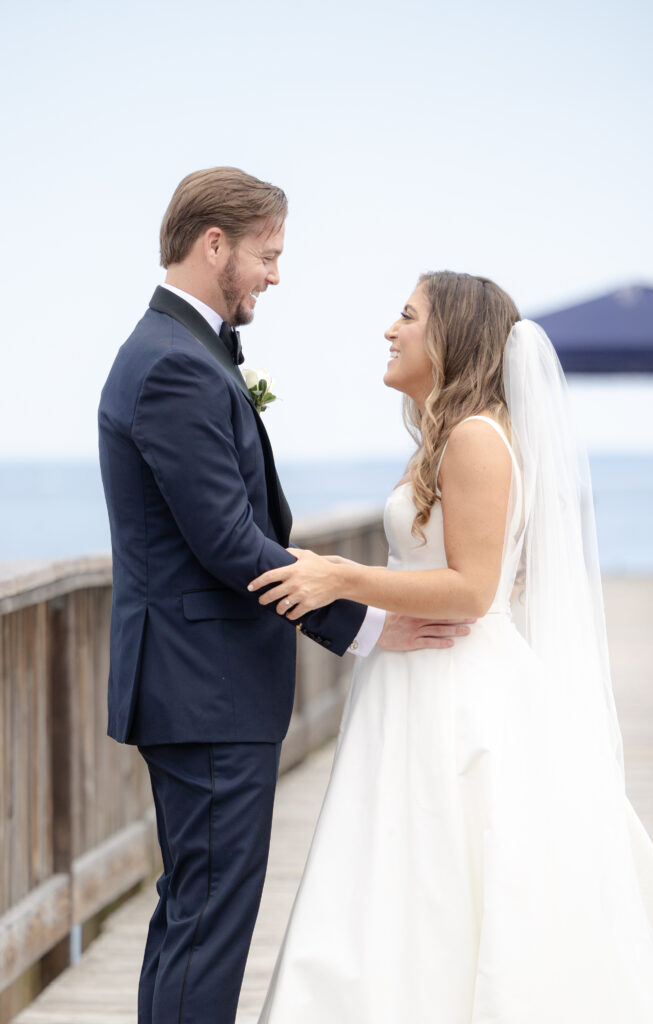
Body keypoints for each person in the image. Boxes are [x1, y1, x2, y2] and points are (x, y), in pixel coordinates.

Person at [250, 272, 653, 1022]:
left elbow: (472, 590)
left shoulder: (477, 438)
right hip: (415, 675)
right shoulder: (449, 436)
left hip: (453, 689)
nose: (390, 330)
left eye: (407, 316)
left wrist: (340, 577)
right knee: (403, 872)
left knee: (442, 871)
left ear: (450, 335)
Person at [97, 169, 470, 1024]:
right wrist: (368, 625)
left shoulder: (178, 353)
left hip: (200, 687)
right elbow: (231, 544)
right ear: (214, 244)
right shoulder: (171, 368)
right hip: (206, 688)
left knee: (193, 914)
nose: (275, 275)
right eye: (266, 255)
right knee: (209, 922)